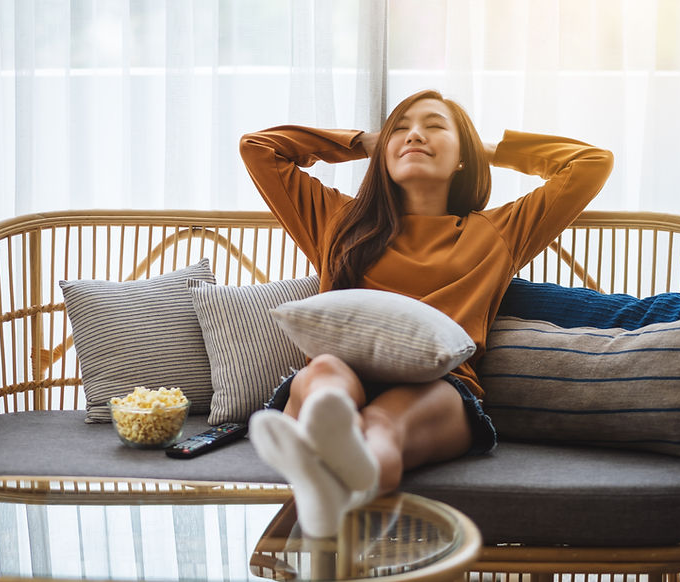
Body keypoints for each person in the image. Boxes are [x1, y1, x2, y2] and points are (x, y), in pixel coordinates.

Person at [239, 89, 614, 538]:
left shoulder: (497, 232)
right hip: (340, 371)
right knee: (326, 376)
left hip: (441, 388)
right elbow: (259, 148)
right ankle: (326, 437)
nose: (414, 134)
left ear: (462, 156)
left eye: (435, 126)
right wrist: (362, 142)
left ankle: (329, 476)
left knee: (383, 424)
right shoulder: (338, 221)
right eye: (401, 127)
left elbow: (591, 163)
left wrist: (485, 149)